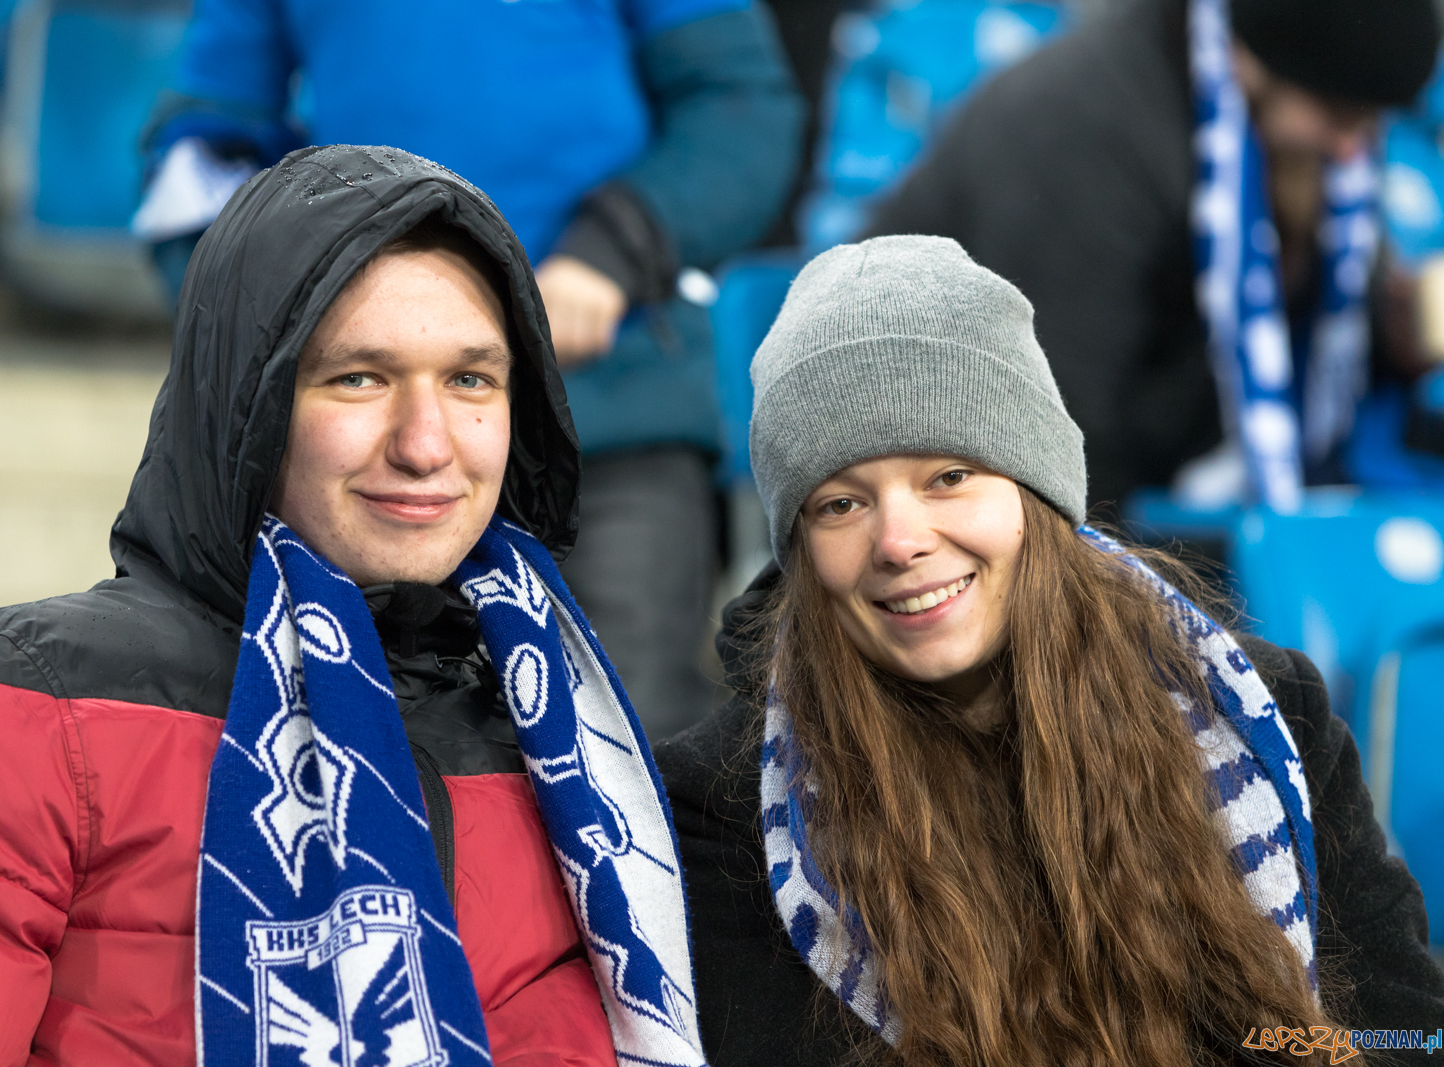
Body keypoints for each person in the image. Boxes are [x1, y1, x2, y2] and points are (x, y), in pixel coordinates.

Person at [0, 146, 706, 1067]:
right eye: (358, 378)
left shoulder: (572, 767)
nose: (426, 443)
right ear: (247, 407)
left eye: (470, 381)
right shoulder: (8, 710)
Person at [657, 236, 1444, 1066]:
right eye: (841, 503)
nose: (899, 539)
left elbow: (1411, 1032)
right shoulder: (725, 810)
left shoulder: (1262, 708)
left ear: (1037, 490)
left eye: (948, 476)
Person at [131, 0, 807, 738]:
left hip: (613, 426)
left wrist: (611, 254)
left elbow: (743, 109)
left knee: (630, 747)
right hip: (366, 451)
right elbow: (200, 150)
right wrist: (266, 316)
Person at [865, 0, 1441, 513]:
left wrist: (1399, 333)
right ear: (1247, 60)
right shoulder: (1084, 125)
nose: (1351, 147)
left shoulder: (1266, 109)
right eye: (1339, 117)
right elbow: (1060, 419)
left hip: (1146, 444)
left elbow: (1300, 327)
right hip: (957, 452)